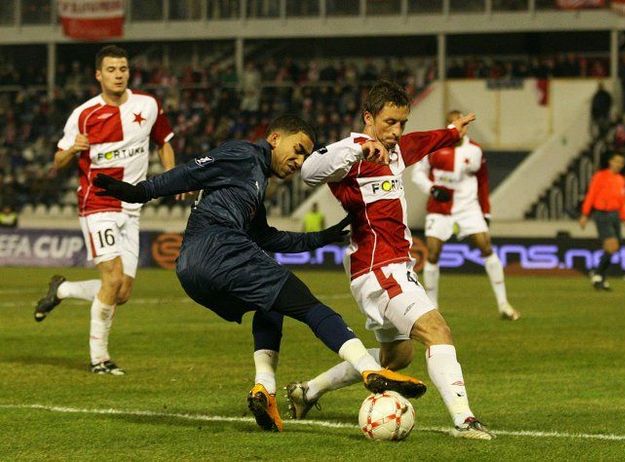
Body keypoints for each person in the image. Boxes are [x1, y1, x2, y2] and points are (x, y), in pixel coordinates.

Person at [93, 114, 426, 433]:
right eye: (297, 150)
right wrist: (139, 192)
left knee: (272, 305)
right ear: (275, 138)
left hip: (193, 270)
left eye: (305, 157)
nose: (299, 162)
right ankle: (370, 370)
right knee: (310, 307)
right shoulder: (243, 154)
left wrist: (321, 238)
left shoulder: (252, 182)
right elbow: (188, 173)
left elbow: (267, 237)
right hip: (221, 249)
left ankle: (264, 389)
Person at [289, 81, 493, 440]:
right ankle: (464, 420)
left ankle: (308, 391)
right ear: (369, 118)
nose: (397, 132)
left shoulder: (395, 149)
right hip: (379, 267)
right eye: (389, 122)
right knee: (438, 331)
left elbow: (418, 144)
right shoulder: (352, 151)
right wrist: (359, 151)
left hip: (385, 267)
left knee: (396, 357)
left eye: (402, 123)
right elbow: (309, 172)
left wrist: (450, 132)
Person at [33, 45, 177, 375]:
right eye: (111, 70)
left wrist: (171, 179)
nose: (118, 74)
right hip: (98, 204)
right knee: (111, 279)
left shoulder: (148, 105)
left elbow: (164, 142)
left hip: (133, 206)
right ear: (99, 75)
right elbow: (57, 161)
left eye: (123, 69)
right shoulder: (84, 114)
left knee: (121, 292)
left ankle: (63, 290)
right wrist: (73, 148)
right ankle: (100, 359)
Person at [411, 109, 520, 321]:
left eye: (461, 123)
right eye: (453, 124)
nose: (458, 127)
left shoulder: (475, 150)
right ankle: (433, 308)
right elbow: (417, 173)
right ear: (447, 127)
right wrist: (432, 188)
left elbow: (483, 182)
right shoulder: (433, 147)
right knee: (432, 253)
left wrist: (486, 211)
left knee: (486, 248)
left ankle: (504, 304)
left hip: (468, 207)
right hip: (440, 207)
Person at [579, 152, 625, 290]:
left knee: (615, 247)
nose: (619, 164)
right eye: (616, 161)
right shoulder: (600, 176)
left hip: (615, 215)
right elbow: (591, 194)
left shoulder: (621, 179)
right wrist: (585, 214)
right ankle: (598, 274)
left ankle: (600, 277)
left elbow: (622, 201)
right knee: (612, 244)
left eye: (621, 162)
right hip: (602, 214)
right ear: (610, 162)